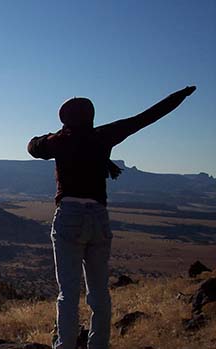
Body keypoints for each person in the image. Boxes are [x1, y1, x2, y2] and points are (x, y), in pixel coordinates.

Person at [27, 85, 197, 349]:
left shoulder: (59, 141)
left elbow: (32, 147)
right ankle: (98, 345)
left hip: (70, 216)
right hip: (98, 217)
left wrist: (51, 135)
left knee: (68, 292)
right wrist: (179, 96)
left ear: (65, 118)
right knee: (99, 292)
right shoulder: (103, 136)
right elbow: (144, 118)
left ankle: (66, 345)